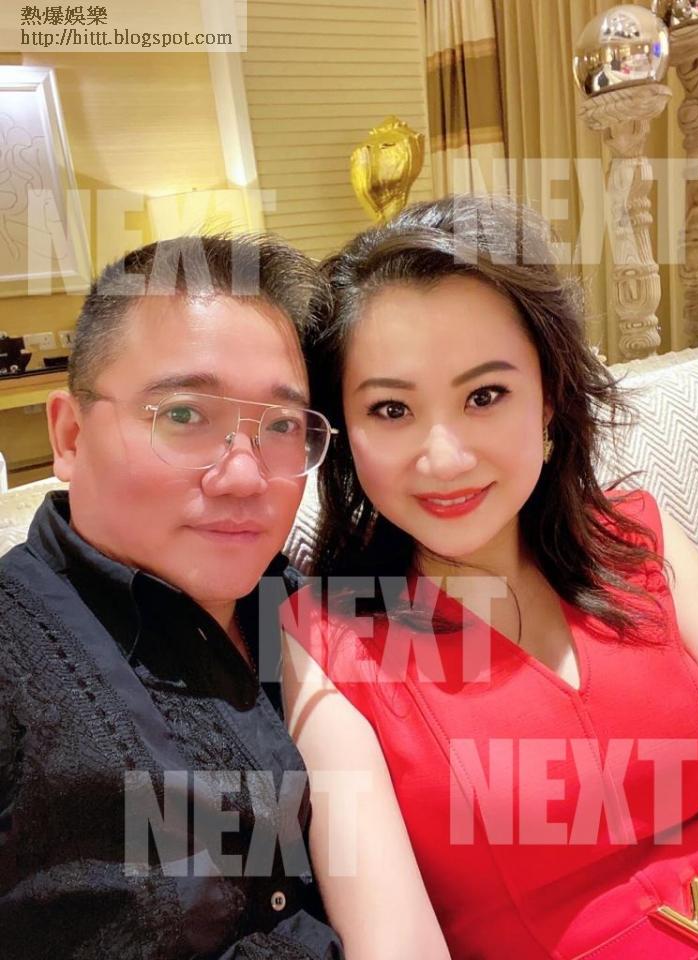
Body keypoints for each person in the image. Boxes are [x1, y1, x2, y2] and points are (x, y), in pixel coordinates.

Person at [280, 195, 698, 960]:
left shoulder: (640, 537)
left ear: (549, 396)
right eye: (392, 410)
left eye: (485, 396)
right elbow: (394, 943)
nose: (445, 458)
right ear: (346, 434)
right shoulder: (326, 644)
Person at [0, 234, 344, 959]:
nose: (245, 477)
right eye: (185, 415)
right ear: (70, 435)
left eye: (281, 426)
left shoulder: (311, 609)